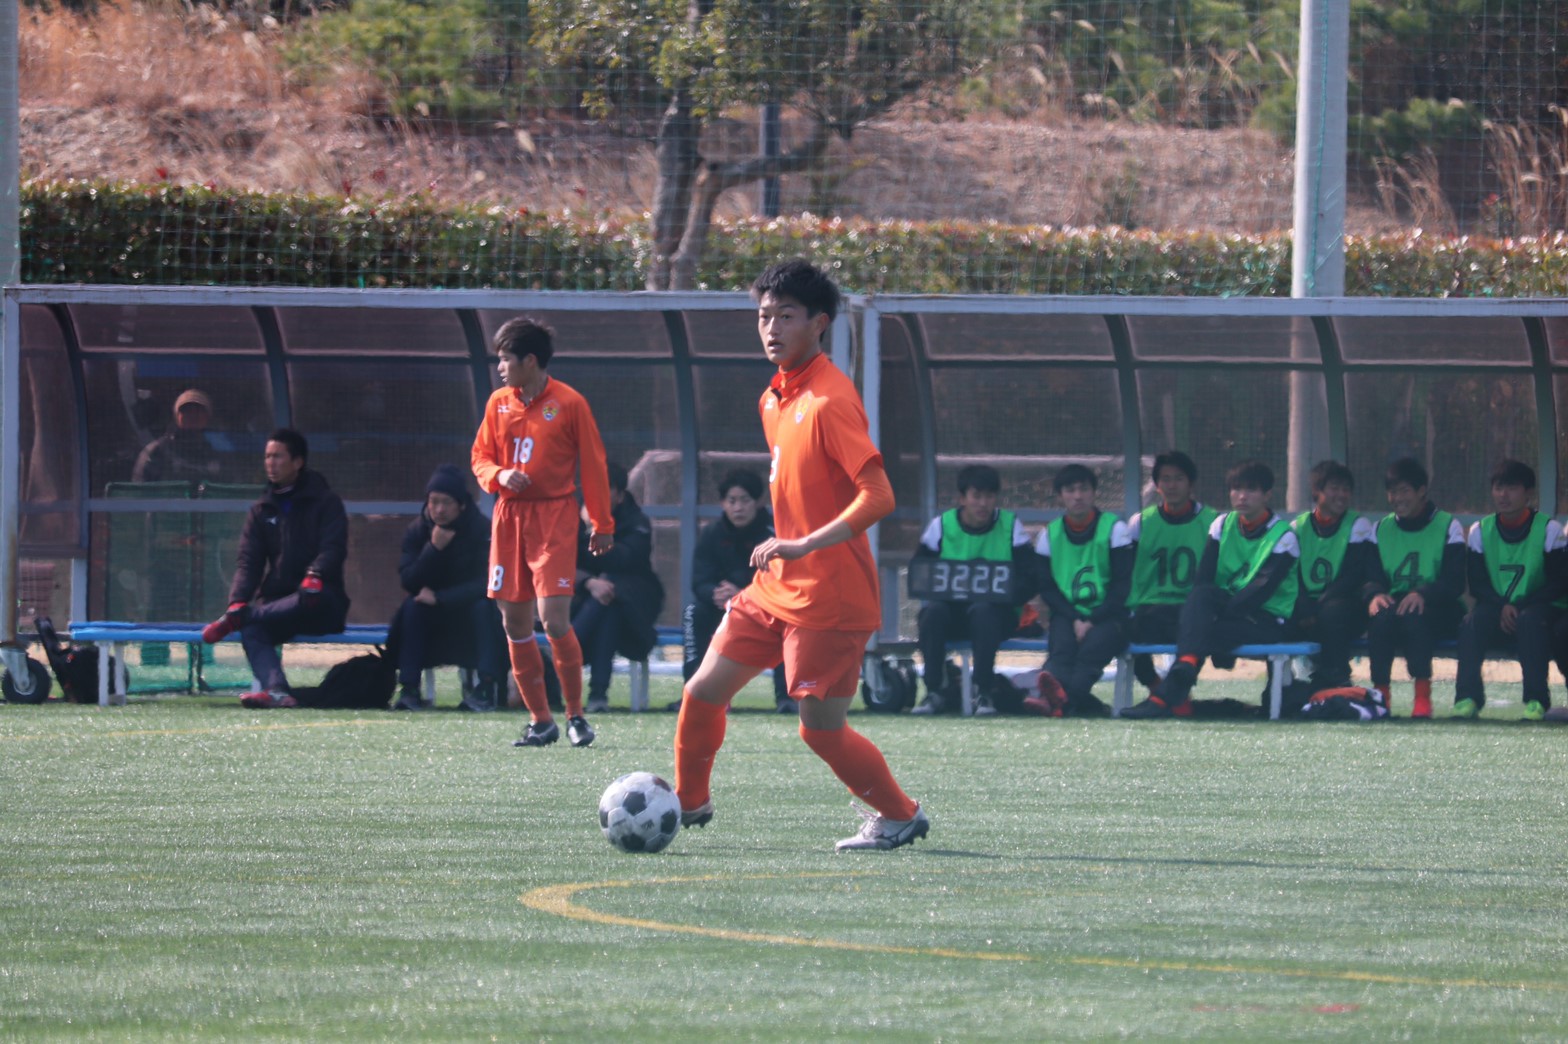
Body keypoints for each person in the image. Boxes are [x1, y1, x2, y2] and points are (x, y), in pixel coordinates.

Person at [673, 258, 928, 852]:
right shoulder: (774, 398)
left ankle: (901, 815)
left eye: (785, 316)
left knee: (820, 731)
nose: (771, 328)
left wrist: (807, 542)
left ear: (819, 323)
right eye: (764, 316)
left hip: (830, 597)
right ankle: (687, 805)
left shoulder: (830, 399)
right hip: (776, 584)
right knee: (701, 693)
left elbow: (879, 495)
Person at [471, 316, 614, 749]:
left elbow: (594, 465)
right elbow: (480, 457)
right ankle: (540, 721)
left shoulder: (569, 403)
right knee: (514, 623)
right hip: (509, 518)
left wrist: (602, 523)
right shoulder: (498, 403)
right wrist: (499, 474)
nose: (500, 368)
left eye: (506, 359)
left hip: (554, 517)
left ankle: (575, 715)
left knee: (553, 619)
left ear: (530, 361)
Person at [1122, 459, 1300, 718]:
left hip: (1266, 620)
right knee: (1193, 598)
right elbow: (1204, 580)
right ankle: (1180, 676)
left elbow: (1259, 592)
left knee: (1197, 629)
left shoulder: (1284, 536)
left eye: (1251, 489)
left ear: (1267, 495)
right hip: (1226, 610)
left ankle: (1165, 698)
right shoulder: (1222, 524)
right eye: (1236, 489)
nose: (1242, 496)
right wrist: (1202, 615)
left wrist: (1206, 618)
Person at [200, 428, 350, 708]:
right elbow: (249, 562)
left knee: (300, 598)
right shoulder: (261, 509)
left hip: (321, 602)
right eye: (268, 456)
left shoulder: (327, 502)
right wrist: (237, 600)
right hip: (278, 606)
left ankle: (240, 618)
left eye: (278, 456)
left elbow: (334, 548)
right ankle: (277, 690)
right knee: (252, 629)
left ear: (298, 462)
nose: (271, 463)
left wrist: (315, 573)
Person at [909, 463, 1035, 716]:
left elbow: (1031, 578)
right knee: (931, 613)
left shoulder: (1011, 526)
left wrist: (1005, 596)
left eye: (989, 496)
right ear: (962, 498)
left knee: (983, 611)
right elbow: (921, 574)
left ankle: (984, 692)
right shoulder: (941, 526)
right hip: (952, 615)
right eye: (976, 496)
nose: (983, 503)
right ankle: (934, 690)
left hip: (997, 615)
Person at [384, 463, 508, 712]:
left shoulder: (482, 529)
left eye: (446, 502)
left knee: (485, 607)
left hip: (467, 612)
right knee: (412, 607)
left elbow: (487, 583)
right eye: (434, 502)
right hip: (432, 617)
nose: (439, 509)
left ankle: (486, 688)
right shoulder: (418, 530)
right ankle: (409, 689)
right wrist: (433, 549)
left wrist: (441, 598)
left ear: (461, 505)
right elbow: (408, 580)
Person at [1453, 459, 1566, 721]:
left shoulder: (1549, 530)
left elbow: (1559, 582)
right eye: (1498, 488)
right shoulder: (1481, 531)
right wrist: (1502, 606)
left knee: (1530, 621)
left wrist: (1520, 606)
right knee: (1471, 622)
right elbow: (1477, 583)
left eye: (1512, 488)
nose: (1503, 495)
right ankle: (1467, 698)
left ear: (1528, 493)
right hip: (1497, 607)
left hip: (1540, 608)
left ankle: (1536, 700)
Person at [676, 468, 792, 714]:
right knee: (693, 612)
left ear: (758, 502)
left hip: (763, 606)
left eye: (744, 500)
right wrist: (714, 593)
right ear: (723, 503)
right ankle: (693, 694)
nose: (738, 507)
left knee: (787, 619)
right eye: (732, 501)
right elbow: (699, 580)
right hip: (720, 606)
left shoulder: (773, 534)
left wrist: (741, 593)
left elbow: (780, 579)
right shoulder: (711, 533)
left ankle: (786, 698)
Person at [1361, 458, 1466, 718]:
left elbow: (1454, 582)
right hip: (1397, 604)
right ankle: (1380, 697)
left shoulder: (1447, 526)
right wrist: (1374, 594)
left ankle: (1422, 697)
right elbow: (1370, 576)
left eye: (1404, 491)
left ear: (1421, 491)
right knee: (1380, 618)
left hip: (1439, 607)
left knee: (1414, 617)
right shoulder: (1380, 529)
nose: (1398, 498)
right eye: (1392, 492)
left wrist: (1424, 594)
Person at [1034, 464, 1131, 717]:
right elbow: (1047, 588)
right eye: (1070, 490)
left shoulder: (1115, 529)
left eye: (1084, 489)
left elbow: (1123, 586)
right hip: (1067, 614)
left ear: (1094, 492)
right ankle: (1074, 702)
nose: (1078, 496)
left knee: (1091, 652)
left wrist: (1092, 619)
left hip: (1110, 616)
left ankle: (1059, 702)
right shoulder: (1049, 535)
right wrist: (1076, 617)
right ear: (1060, 496)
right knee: (1061, 651)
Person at [571, 461, 666, 713]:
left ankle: (564, 652)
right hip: (580, 602)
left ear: (619, 495)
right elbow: (559, 561)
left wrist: (593, 531)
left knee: (611, 594)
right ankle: (597, 695)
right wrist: (589, 582)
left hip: (634, 609)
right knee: (608, 606)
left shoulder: (637, 522)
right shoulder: (570, 517)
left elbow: (625, 560)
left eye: (604, 490)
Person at [1125, 451, 1217, 700]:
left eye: (1178, 478)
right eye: (1165, 479)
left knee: (1198, 635)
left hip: (1190, 610)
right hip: (1149, 609)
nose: (1172, 485)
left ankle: (1176, 694)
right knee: (1118, 632)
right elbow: (1126, 569)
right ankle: (1156, 686)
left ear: (1191, 483)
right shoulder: (1140, 522)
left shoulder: (1212, 522)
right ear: (1157, 485)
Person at [1287, 460, 1374, 691]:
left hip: (1344, 606)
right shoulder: (1298, 527)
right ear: (1317, 491)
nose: (1341, 495)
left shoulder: (1358, 525)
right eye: (1335, 488)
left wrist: (1317, 607)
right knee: (1282, 614)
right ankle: (1282, 684)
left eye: (1346, 489)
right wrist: (1304, 605)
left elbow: (1354, 575)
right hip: (1310, 606)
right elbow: (1291, 575)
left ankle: (1337, 677)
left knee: (1333, 612)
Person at [132, 388, 221, 484]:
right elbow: (141, 488)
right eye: (187, 411)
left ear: (208, 417)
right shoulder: (156, 451)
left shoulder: (219, 450)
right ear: (176, 416)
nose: (193, 415)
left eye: (198, 411)